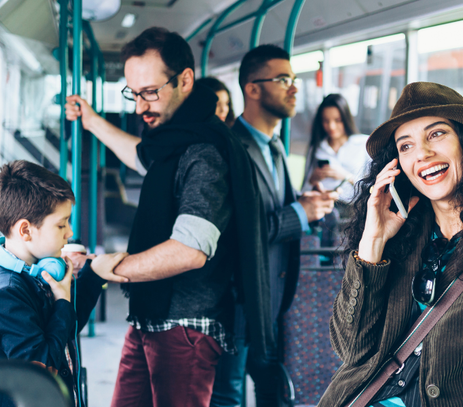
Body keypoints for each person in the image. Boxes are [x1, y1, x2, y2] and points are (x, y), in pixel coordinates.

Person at [65, 27, 265, 407]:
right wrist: (90, 121)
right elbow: (141, 156)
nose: (140, 106)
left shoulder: (204, 150)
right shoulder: (173, 141)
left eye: (150, 92)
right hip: (150, 315)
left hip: (185, 327)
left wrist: (112, 267)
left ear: (185, 80)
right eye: (134, 94)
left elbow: (190, 250)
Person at [318, 82, 463, 407]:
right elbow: (351, 349)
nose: (422, 154)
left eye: (436, 135)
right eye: (405, 146)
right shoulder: (400, 239)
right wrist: (373, 241)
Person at [211, 44, 338, 407]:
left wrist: (307, 204)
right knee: (228, 396)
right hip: (237, 297)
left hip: (275, 295)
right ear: (252, 88)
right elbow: (234, 233)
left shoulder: (276, 147)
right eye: (283, 79)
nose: (294, 88)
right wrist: (301, 214)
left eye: (294, 79)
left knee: (275, 391)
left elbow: (272, 208)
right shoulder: (230, 149)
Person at [0, 160, 128, 407]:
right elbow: (43, 373)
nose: (69, 232)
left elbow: (64, 332)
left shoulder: (37, 272)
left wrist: (92, 276)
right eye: (61, 224)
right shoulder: (7, 294)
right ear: (26, 231)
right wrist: (62, 301)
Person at [302, 93, 370, 202]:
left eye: (337, 120)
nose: (331, 126)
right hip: (323, 210)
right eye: (326, 121)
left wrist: (346, 176)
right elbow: (303, 192)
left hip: (353, 211)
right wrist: (312, 180)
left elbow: (372, 189)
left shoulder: (364, 144)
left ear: (346, 118)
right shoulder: (316, 148)